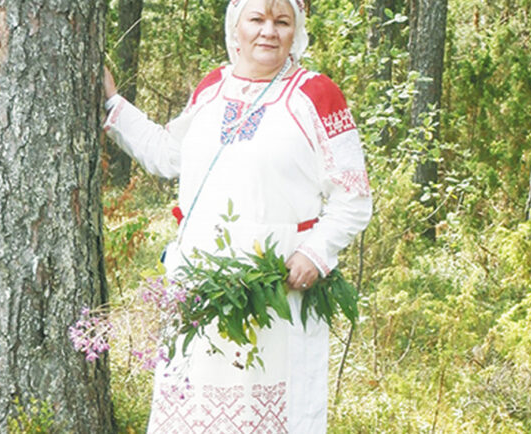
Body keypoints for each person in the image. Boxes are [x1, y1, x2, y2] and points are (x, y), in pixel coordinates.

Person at [102, 0, 371, 431]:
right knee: (195, 413)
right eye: (257, 19)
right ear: (236, 26)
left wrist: (315, 254)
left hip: (278, 289)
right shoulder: (212, 87)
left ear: (296, 30)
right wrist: (112, 105)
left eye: (282, 21)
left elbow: (353, 198)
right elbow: (169, 155)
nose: (269, 31)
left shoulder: (316, 94)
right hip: (200, 285)